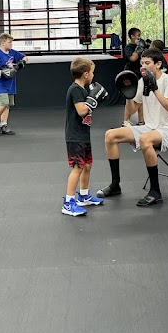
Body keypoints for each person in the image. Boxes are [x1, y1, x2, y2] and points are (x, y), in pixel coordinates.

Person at [97, 48, 168, 208]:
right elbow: (132, 110)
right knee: (110, 135)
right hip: (149, 127)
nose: (143, 67)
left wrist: (155, 88)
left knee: (145, 139)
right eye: (142, 63)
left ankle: (155, 191)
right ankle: (115, 185)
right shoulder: (142, 82)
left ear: (158, 64)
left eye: (147, 63)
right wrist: (128, 94)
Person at [62, 57, 106, 217]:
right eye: (92, 72)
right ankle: (68, 203)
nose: (93, 75)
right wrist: (93, 100)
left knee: (87, 165)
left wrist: (93, 99)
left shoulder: (82, 89)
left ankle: (84, 195)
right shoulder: (75, 90)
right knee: (78, 168)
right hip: (75, 136)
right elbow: (81, 111)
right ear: (86, 74)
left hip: (83, 134)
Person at [0, 33, 28, 136]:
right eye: (9, 42)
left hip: (9, 82)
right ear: (3, 43)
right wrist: (1, 72)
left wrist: (20, 64)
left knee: (7, 105)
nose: (11, 44)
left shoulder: (12, 53)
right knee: (3, 103)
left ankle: (4, 125)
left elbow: (25, 58)